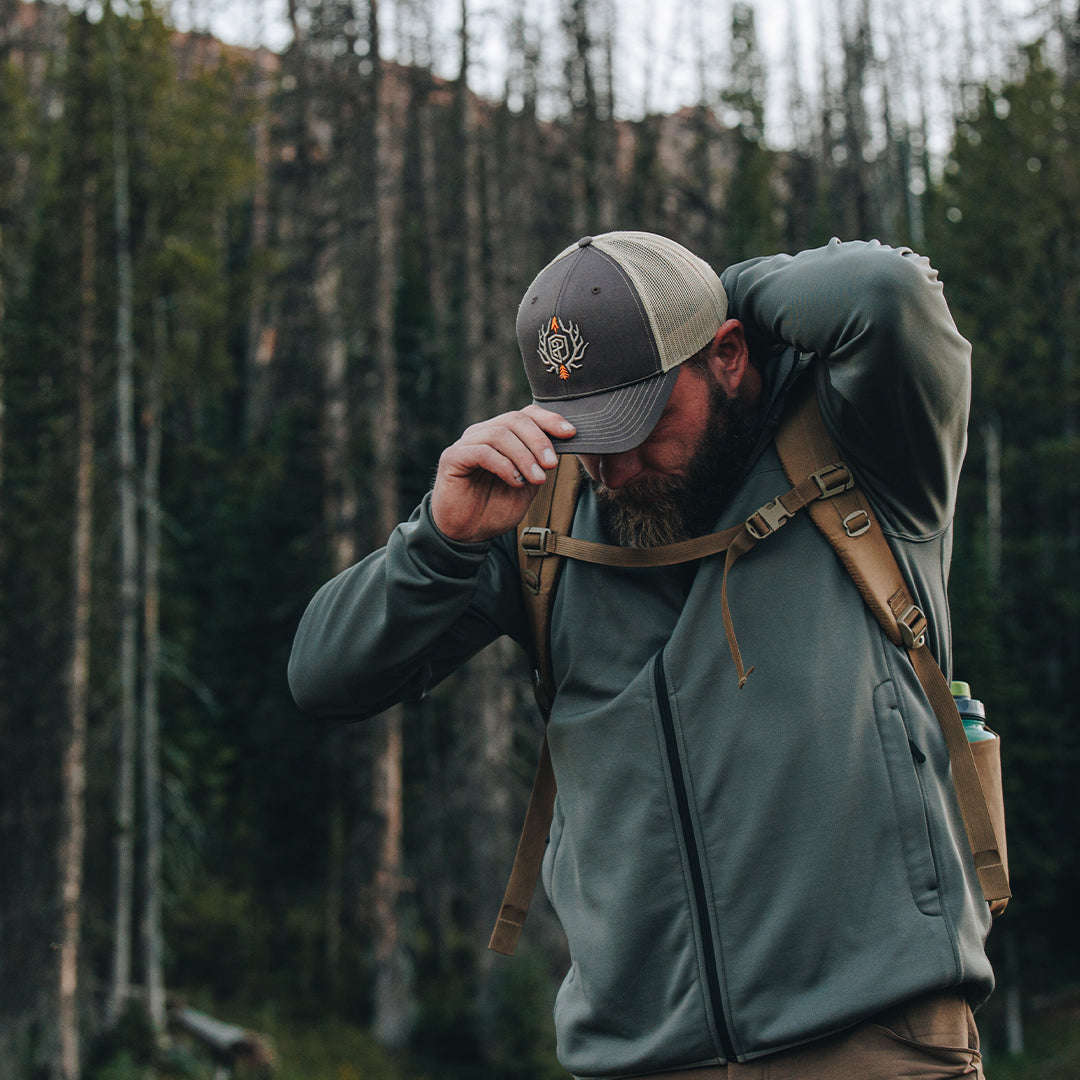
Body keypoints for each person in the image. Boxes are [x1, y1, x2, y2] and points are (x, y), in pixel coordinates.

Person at [289, 232, 992, 1079]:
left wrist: (704, 298)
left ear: (728, 356)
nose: (615, 466)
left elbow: (887, 289)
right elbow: (323, 677)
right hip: (636, 1063)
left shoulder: (868, 448)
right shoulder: (538, 521)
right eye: (587, 430)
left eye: (644, 418)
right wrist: (439, 543)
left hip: (874, 1044)